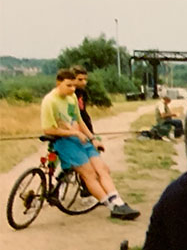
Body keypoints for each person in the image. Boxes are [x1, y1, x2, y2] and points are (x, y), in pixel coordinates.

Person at [40, 69, 140, 220]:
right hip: (64, 141)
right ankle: (112, 207)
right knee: (89, 174)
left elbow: (79, 120)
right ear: (59, 83)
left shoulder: (72, 96)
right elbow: (48, 129)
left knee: (103, 169)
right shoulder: (50, 101)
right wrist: (74, 133)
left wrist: (93, 138)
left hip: (80, 138)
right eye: (69, 85)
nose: (73, 89)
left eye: (74, 86)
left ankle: (119, 203)